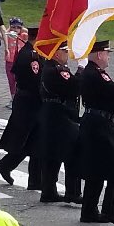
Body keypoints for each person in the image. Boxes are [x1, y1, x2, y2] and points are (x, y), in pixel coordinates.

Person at [77, 40, 114, 225]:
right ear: (99, 54)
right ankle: (111, 210)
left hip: (94, 122)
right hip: (100, 125)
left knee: (97, 168)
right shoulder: (96, 73)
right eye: (107, 53)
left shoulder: (90, 72)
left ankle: (89, 210)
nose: (109, 56)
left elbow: (107, 95)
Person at [0, 26, 43, 194]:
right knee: (30, 139)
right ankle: (32, 179)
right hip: (30, 103)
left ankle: (7, 167)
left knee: (32, 141)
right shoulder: (32, 56)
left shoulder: (27, 52)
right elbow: (37, 80)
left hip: (26, 101)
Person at [34, 42, 83, 204]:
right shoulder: (58, 69)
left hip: (50, 113)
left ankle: (48, 191)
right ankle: (73, 192)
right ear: (56, 53)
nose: (66, 54)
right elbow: (75, 87)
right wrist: (81, 70)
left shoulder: (48, 67)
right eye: (64, 51)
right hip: (61, 114)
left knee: (52, 155)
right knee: (72, 153)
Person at [3, 18, 28, 101]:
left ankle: (18, 98)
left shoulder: (23, 35)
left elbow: (30, 34)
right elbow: (2, 34)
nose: (16, 29)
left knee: (19, 81)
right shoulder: (8, 35)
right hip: (10, 61)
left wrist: (22, 29)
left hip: (19, 62)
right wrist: (9, 29)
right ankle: (13, 98)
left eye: (18, 27)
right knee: (11, 81)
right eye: (14, 27)